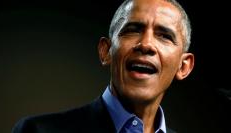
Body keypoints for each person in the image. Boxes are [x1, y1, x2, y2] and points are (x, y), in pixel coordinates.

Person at [12, 0, 194, 132]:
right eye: (132, 30)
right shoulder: (36, 130)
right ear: (106, 51)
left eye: (164, 36)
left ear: (183, 66)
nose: (146, 44)